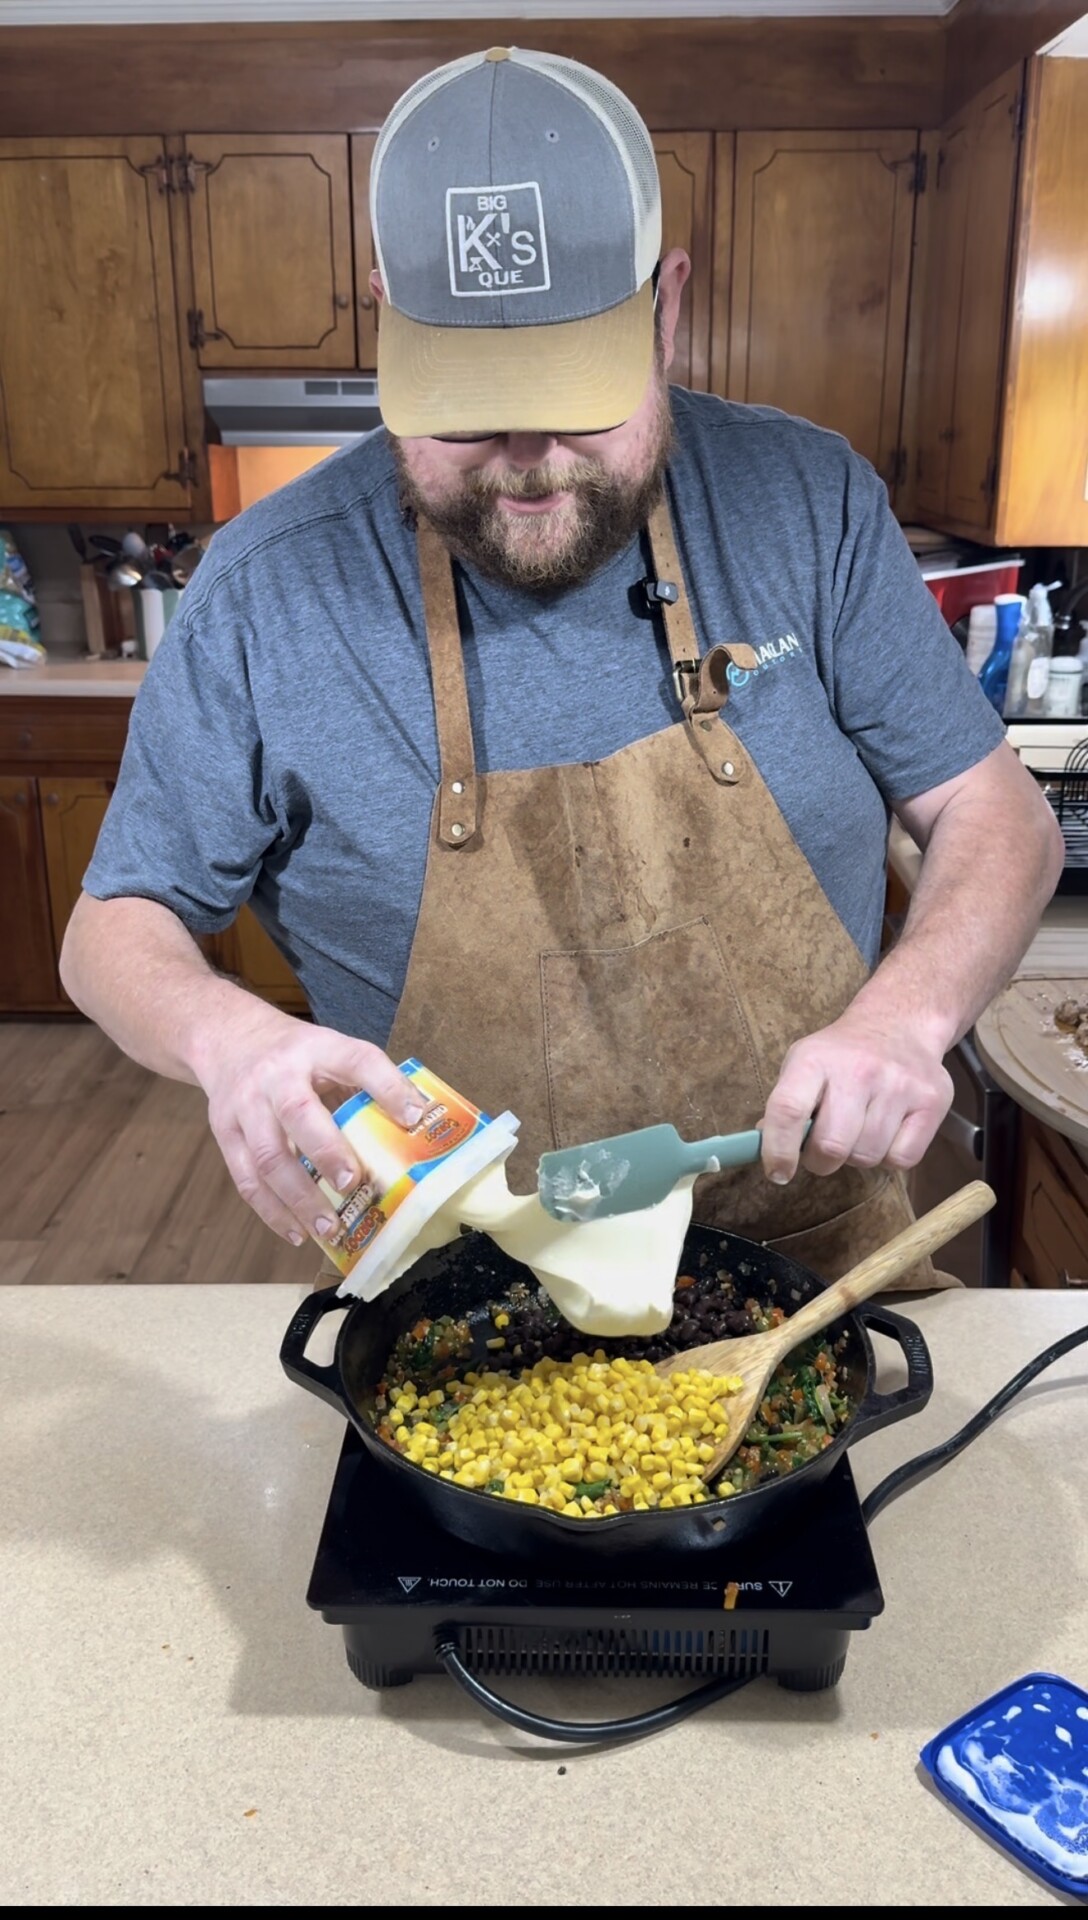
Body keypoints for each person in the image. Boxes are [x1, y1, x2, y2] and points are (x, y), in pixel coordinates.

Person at [61, 47, 1062, 1287]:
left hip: (814, 1275)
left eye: (576, 393)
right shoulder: (265, 589)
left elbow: (994, 812)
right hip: (456, 1298)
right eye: (472, 405)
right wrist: (225, 1037)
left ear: (669, 306)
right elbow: (112, 928)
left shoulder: (808, 502)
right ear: (389, 313)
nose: (529, 459)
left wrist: (908, 1015)